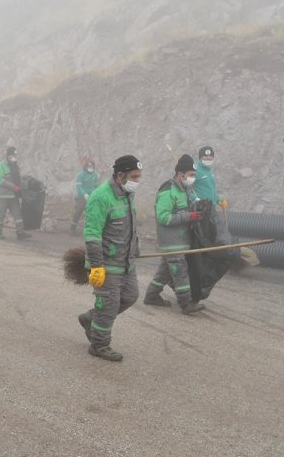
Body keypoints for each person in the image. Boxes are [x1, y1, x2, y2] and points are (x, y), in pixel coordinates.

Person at [77, 155, 142, 362]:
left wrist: (135, 248)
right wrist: (97, 266)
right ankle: (99, 344)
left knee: (130, 296)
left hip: (126, 263)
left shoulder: (127, 194)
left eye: (139, 177)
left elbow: (130, 227)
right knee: (109, 304)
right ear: (120, 175)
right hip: (106, 264)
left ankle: (91, 318)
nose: (137, 181)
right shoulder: (101, 197)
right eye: (133, 177)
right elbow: (92, 234)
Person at [143, 154, 206, 314]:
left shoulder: (183, 190)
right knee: (180, 272)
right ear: (180, 174)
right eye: (191, 175)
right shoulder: (168, 191)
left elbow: (183, 210)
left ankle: (151, 295)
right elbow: (163, 217)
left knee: (165, 271)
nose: (193, 178)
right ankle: (186, 304)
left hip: (179, 241)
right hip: (172, 242)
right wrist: (188, 216)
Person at [0, 146, 31, 240]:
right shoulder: (0, 165)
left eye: (15, 155)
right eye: (12, 155)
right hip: (3, 195)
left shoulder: (15, 166)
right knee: (0, 214)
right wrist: (13, 187)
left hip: (13, 195)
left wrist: (27, 184)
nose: (14, 157)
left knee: (17, 214)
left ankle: (20, 232)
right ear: (8, 155)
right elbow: (0, 180)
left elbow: (18, 179)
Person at [193, 146, 228, 211]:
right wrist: (194, 198)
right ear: (200, 157)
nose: (208, 158)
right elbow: (186, 189)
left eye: (210, 156)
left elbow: (210, 189)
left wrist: (219, 200)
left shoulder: (209, 170)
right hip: (200, 207)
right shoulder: (195, 170)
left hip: (211, 206)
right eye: (205, 156)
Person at [70, 158, 99, 236]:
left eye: (92, 166)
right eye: (88, 166)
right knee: (78, 212)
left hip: (91, 197)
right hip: (82, 198)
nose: (90, 168)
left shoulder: (95, 174)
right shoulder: (81, 175)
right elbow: (79, 187)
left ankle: (90, 230)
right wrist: (84, 194)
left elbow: (96, 184)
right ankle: (72, 229)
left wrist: (97, 192)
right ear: (85, 167)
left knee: (91, 214)